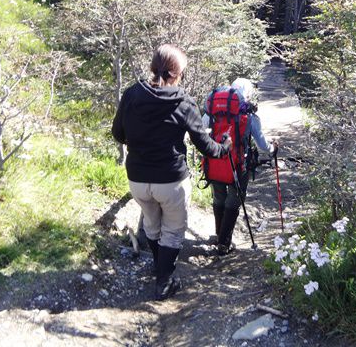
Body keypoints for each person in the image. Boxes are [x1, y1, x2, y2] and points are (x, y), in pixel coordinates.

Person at [112, 44, 231, 301]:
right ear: (177, 73)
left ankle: (160, 267)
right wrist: (226, 148)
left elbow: (118, 134)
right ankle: (164, 282)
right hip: (171, 180)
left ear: (153, 66)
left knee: (152, 227)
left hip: (138, 179)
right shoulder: (184, 102)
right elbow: (207, 147)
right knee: (173, 231)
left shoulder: (132, 94)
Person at [202, 78, 278, 255]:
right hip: (238, 164)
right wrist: (273, 148)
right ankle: (224, 242)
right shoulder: (248, 115)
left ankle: (218, 235)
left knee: (219, 197)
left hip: (214, 161)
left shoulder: (211, 112)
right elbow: (262, 145)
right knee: (234, 200)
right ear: (247, 93)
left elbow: (201, 133)